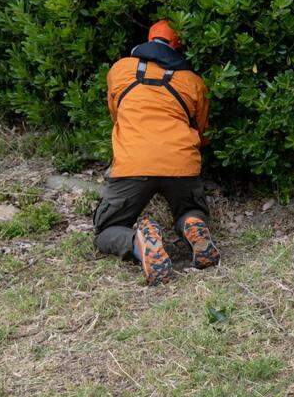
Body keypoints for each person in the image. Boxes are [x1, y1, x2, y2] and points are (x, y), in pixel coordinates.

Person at [92, 20, 218, 285]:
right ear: (178, 46)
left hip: (133, 164)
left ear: (149, 39)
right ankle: (194, 227)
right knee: (190, 208)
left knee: (106, 229)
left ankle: (137, 243)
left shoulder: (120, 70)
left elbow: (116, 114)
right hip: (181, 164)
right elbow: (204, 132)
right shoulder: (193, 81)